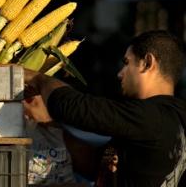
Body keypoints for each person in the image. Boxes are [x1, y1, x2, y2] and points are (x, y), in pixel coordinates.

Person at [23, 29, 186, 187]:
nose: (120, 74)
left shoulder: (152, 117)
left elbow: (71, 106)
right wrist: (48, 123)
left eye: (127, 63)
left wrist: (36, 78)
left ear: (147, 63)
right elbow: (96, 165)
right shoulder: (172, 117)